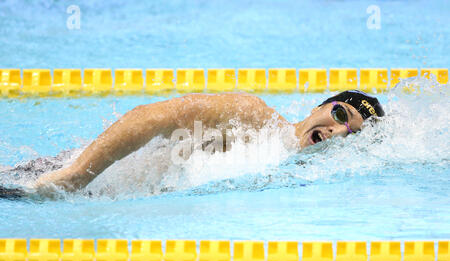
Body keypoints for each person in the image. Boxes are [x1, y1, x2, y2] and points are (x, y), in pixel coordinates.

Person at [3, 90, 384, 198]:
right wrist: (74, 176)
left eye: (352, 133)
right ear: (321, 106)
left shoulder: (292, 176)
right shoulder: (253, 117)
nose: (338, 131)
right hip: (56, 181)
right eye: (340, 115)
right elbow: (151, 116)